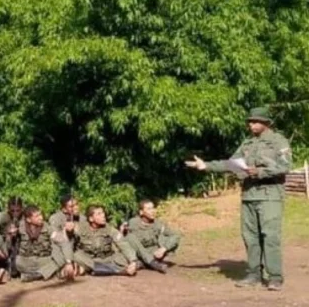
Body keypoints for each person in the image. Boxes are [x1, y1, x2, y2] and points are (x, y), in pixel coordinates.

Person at [185, 106, 291, 291]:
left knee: (270, 236)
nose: (251, 124)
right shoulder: (247, 144)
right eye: (250, 121)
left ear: (266, 123)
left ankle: (274, 277)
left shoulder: (277, 141)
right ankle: (253, 274)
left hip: (270, 196)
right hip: (249, 195)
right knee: (250, 237)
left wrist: (259, 172)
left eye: (255, 121)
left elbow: (285, 166)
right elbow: (232, 164)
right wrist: (206, 166)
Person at [73, 205, 138, 277]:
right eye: (99, 214)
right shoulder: (81, 228)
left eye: (103, 213)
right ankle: (117, 271)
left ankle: (95, 270)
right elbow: (70, 242)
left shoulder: (109, 228)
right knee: (76, 255)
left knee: (123, 257)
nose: (103, 215)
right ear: (91, 219)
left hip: (107, 258)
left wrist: (133, 261)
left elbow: (122, 243)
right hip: (90, 260)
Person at [14, 206, 75, 282]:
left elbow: (62, 241)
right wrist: (10, 234)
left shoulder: (47, 227)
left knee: (61, 259)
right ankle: (44, 274)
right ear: (28, 219)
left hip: (43, 261)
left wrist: (68, 262)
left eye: (40, 215)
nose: (41, 218)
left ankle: (37, 275)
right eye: (37, 216)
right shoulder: (19, 226)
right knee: (16, 261)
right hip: (25, 262)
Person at [125, 200, 180, 273]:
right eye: (148, 209)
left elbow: (175, 235)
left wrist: (164, 248)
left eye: (153, 208)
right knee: (129, 237)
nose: (152, 211)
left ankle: (144, 263)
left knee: (173, 241)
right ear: (141, 212)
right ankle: (152, 263)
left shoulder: (158, 223)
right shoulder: (133, 223)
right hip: (138, 253)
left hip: (153, 253)